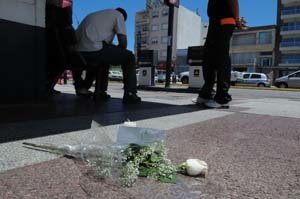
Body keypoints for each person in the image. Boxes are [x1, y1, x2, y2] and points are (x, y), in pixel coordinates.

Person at [76, 8, 141, 104]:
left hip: (78, 53)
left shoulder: (95, 14)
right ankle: (130, 94)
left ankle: (86, 88)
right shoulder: (118, 15)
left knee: (104, 56)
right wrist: (118, 51)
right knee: (129, 56)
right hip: (94, 50)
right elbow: (123, 44)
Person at [194, 0, 246, 108]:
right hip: (215, 23)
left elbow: (233, 1)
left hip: (224, 22)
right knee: (208, 58)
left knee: (221, 58)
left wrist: (236, 20)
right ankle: (206, 94)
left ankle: (222, 98)